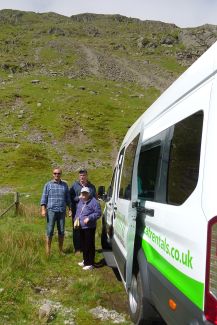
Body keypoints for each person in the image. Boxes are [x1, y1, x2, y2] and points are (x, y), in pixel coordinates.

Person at [40, 167, 72, 256]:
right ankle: (48, 252)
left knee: (61, 231)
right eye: (55, 173)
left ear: (61, 174)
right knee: (49, 231)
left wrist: (70, 209)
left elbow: (68, 198)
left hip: (61, 211)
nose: (57, 175)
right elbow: (44, 198)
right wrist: (43, 209)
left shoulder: (65, 185)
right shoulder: (48, 185)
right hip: (51, 211)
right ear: (52, 174)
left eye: (58, 173)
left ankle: (60, 251)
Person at [69, 169, 96, 253]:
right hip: (77, 211)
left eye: (84, 175)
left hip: (88, 212)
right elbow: (70, 198)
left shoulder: (91, 186)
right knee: (77, 229)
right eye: (80, 175)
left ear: (86, 176)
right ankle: (77, 248)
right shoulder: (74, 186)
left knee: (87, 230)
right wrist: (78, 198)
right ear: (78, 176)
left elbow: (95, 198)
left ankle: (86, 248)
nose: (82, 177)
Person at [75, 187, 101, 270]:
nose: (84, 194)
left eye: (86, 193)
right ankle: (85, 260)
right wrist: (75, 220)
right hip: (81, 226)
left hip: (90, 227)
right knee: (83, 244)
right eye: (83, 193)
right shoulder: (80, 201)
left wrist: (89, 218)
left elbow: (98, 213)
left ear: (89, 194)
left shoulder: (94, 202)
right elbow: (78, 212)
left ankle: (90, 264)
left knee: (89, 245)